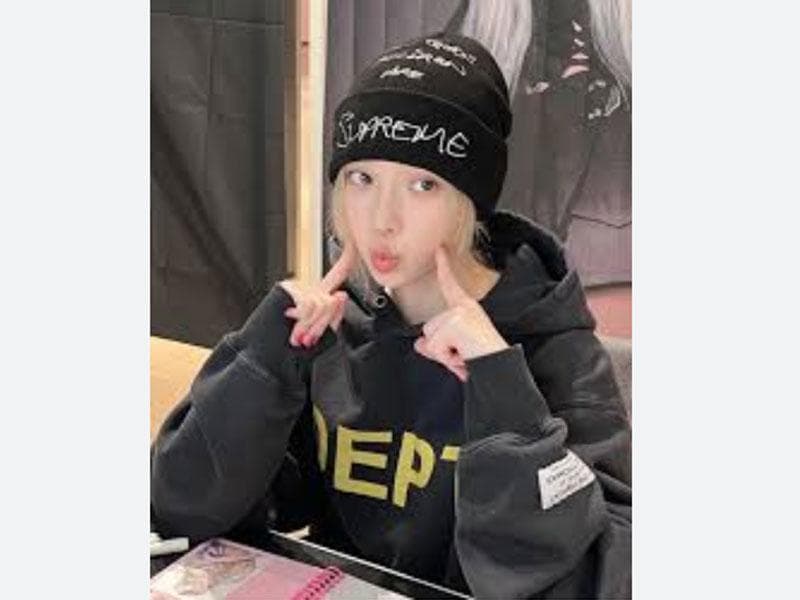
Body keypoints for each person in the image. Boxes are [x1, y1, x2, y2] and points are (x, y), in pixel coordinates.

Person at [151, 31, 631, 599]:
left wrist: (502, 392)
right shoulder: (335, 325)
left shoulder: (553, 347)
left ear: (469, 198)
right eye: (362, 178)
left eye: (422, 185)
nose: (382, 219)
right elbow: (184, 507)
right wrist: (262, 361)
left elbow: (605, 579)